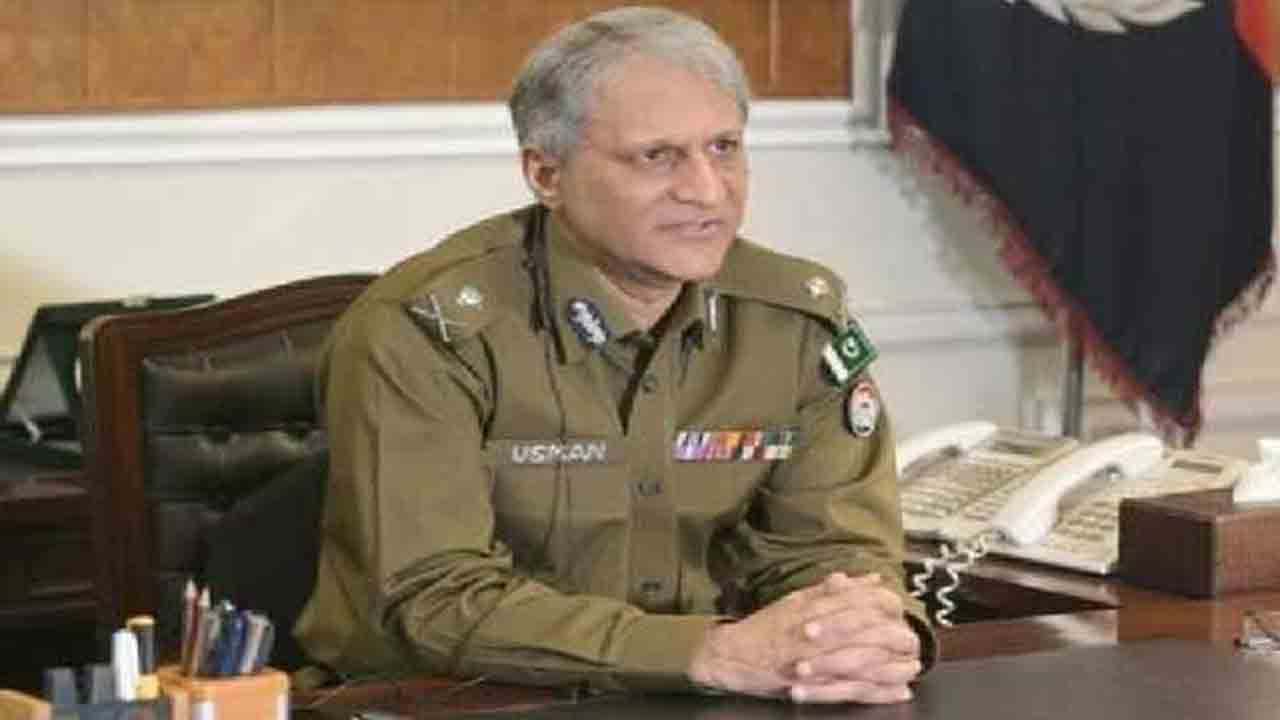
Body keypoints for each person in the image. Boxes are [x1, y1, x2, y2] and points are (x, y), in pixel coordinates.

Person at [294, 5, 935, 705]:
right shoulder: (424, 332)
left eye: (724, 147)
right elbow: (432, 600)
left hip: (709, 696)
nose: (707, 190)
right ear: (546, 174)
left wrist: (862, 632)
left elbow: (833, 550)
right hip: (451, 700)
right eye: (657, 157)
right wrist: (706, 651)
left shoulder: (795, 321)